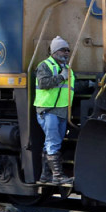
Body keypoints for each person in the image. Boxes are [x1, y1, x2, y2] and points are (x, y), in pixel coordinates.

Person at [34, 36, 74, 185]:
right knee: (53, 142)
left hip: (62, 111)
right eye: (63, 50)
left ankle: (45, 176)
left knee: (51, 143)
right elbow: (43, 83)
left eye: (67, 51)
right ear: (55, 51)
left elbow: (70, 87)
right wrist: (61, 77)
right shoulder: (44, 66)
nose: (66, 53)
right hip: (48, 109)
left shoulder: (67, 69)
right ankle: (57, 176)